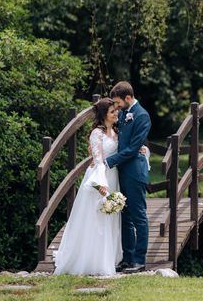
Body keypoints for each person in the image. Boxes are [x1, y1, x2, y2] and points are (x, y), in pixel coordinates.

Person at [54, 98, 123, 275]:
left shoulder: (116, 131)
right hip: (99, 178)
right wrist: (101, 184)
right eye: (112, 112)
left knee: (110, 217)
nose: (116, 113)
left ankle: (107, 258)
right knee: (96, 217)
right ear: (103, 115)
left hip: (113, 176)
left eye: (116, 110)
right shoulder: (96, 134)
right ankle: (92, 261)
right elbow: (98, 159)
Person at [105, 81, 151, 274]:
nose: (116, 107)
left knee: (138, 216)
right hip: (122, 172)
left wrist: (109, 160)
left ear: (128, 98)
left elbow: (133, 148)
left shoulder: (142, 116)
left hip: (135, 172)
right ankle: (128, 258)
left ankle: (140, 261)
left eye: (117, 102)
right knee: (125, 217)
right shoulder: (123, 113)